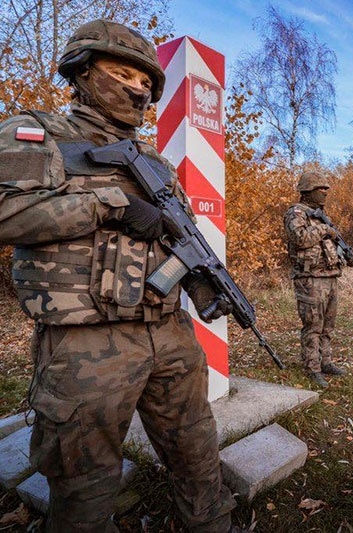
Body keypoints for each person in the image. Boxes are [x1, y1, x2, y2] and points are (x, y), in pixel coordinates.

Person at [0, 19, 235, 532]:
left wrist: (200, 279)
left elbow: (175, 236)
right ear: (83, 70)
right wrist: (109, 203)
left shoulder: (153, 160)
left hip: (168, 331)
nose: (138, 86)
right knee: (84, 481)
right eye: (123, 71)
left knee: (196, 448)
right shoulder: (39, 134)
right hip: (86, 344)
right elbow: (6, 214)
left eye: (146, 80)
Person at [284, 171, 353, 388]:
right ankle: (312, 367)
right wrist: (326, 230)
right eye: (321, 189)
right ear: (308, 190)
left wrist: (349, 258)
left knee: (327, 326)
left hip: (329, 276)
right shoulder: (296, 213)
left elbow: (332, 244)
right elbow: (300, 238)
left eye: (326, 189)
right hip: (310, 278)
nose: (325, 192)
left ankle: (325, 362)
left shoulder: (320, 214)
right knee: (313, 325)